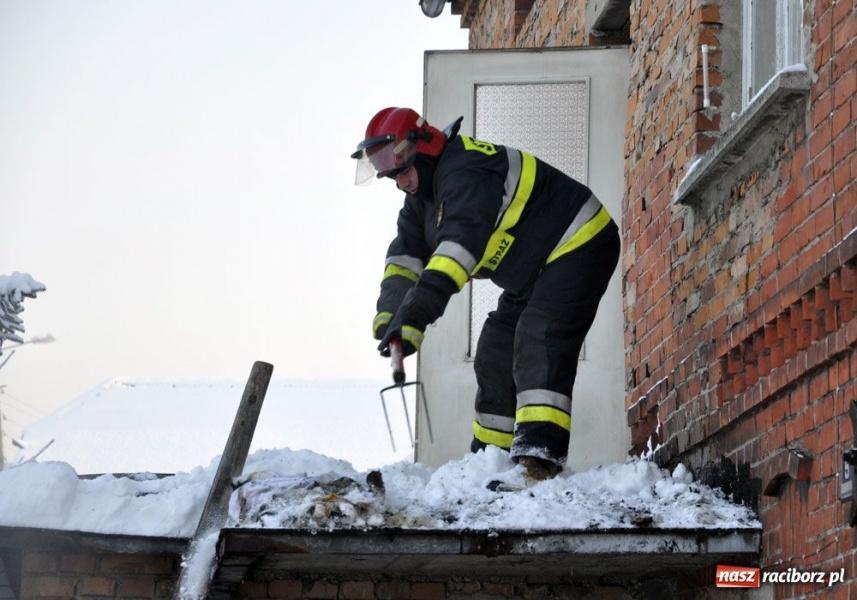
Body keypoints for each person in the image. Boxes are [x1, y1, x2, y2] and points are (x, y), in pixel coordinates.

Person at [351, 107, 620, 484]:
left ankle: (537, 463)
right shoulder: (421, 201)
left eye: (403, 171)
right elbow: (403, 260)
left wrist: (414, 317)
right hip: (533, 271)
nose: (400, 183)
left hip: (579, 242)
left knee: (538, 336)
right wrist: (391, 319)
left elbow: (455, 255)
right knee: (495, 347)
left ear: (423, 148)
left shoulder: (467, 172)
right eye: (391, 176)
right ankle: (490, 461)